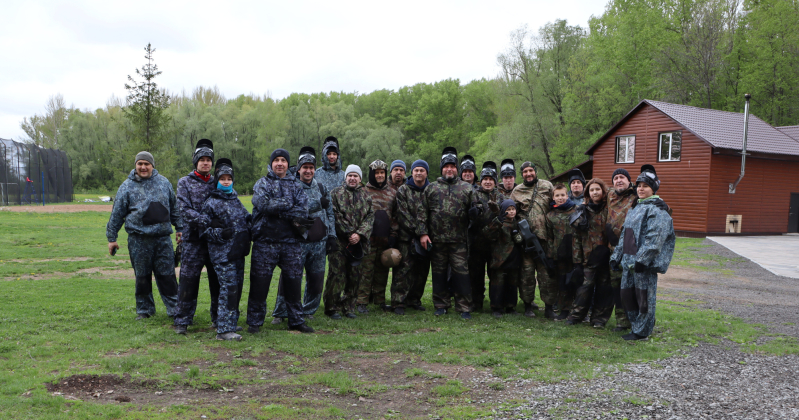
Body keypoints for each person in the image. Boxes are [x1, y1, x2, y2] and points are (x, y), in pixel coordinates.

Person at [106, 151, 181, 320]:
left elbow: (174, 208)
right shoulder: (126, 186)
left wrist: (180, 228)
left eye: (146, 163)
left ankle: (175, 309)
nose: (143, 167)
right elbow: (117, 214)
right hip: (138, 240)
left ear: (152, 165)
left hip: (162, 239)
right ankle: (145, 310)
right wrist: (112, 238)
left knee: (167, 276)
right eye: (139, 163)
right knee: (142, 276)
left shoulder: (164, 183)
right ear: (135, 166)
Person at [247, 149, 314, 334]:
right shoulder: (262, 183)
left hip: (291, 242)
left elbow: (302, 212)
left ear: (287, 164)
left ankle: (296, 321)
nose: (280, 163)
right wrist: (287, 205)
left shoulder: (296, 185)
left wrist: (277, 207)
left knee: (293, 283)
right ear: (271, 163)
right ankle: (254, 322)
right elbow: (262, 205)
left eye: (283, 160)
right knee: (259, 284)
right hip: (265, 242)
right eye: (276, 160)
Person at [610, 165, 675, 341]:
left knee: (644, 298)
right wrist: (616, 257)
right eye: (638, 185)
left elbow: (655, 239)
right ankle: (634, 326)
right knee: (627, 295)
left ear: (653, 188)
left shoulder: (657, 210)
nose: (640, 188)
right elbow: (625, 235)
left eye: (645, 186)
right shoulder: (636, 207)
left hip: (643, 265)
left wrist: (643, 260)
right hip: (628, 262)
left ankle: (642, 331)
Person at [271, 147, 334, 325]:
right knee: (290, 278)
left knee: (316, 278)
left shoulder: (322, 187)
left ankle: (308, 309)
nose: (308, 170)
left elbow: (330, 213)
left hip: (319, 242)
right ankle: (281, 312)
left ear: (315, 169)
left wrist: (332, 236)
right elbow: (292, 208)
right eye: (304, 167)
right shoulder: (291, 186)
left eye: (311, 167)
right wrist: (316, 204)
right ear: (298, 169)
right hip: (296, 242)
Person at [195, 159, 250, 340]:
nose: (226, 182)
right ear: (217, 181)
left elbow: (244, 218)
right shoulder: (210, 203)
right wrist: (220, 234)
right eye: (222, 179)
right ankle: (224, 330)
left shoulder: (235, 199)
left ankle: (230, 322)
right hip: (222, 255)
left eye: (229, 179)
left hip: (237, 252)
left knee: (236, 288)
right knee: (228, 288)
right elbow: (203, 230)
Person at [422, 147, 479, 319]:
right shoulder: (431, 188)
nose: (449, 169)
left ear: (457, 169)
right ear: (442, 168)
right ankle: (441, 304)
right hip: (437, 240)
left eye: (452, 166)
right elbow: (421, 213)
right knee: (438, 274)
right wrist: (423, 233)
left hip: (459, 241)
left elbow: (478, 209)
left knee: (461, 274)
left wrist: (476, 212)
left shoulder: (467, 188)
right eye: (446, 166)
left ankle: (464, 306)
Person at [174, 139, 222, 331]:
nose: (205, 163)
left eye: (208, 160)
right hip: (193, 241)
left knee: (217, 282)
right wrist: (208, 221)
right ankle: (183, 320)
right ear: (195, 161)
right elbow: (184, 210)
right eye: (201, 159)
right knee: (188, 281)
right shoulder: (184, 182)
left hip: (214, 242)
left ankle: (219, 319)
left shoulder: (217, 182)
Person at [324, 165, 374, 319]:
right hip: (340, 242)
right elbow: (334, 215)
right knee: (337, 275)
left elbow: (370, 217)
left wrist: (359, 234)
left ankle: (349, 307)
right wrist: (349, 233)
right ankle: (332, 307)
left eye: (355, 176)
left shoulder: (366, 195)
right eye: (350, 175)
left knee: (355, 276)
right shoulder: (335, 193)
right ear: (345, 177)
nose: (352, 178)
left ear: (360, 178)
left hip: (359, 244)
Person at [509, 161, 554, 318]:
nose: (528, 174)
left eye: (531, 171)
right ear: (522, 174)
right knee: (526, 275)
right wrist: (517, 234)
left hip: (545, 239)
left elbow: (556, 205)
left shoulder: (547, 186)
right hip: (525, 243)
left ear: (535, 171)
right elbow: (511, 213)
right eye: (525, 172)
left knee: (546, 275)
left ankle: (549, 306)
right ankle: (528, 305)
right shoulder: (517, 191)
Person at [567, 178, 613, 327]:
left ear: (603, 191)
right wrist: (577, 262)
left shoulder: (610, 209)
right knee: (584, 288)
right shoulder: (582, 211)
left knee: (604, 289)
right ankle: (576, 316)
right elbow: (577, 238)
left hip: (606, 256)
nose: (595, 192)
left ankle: (599, 319)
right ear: (588, 193)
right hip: (588, 258)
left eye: (597, 189)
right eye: (592, 190)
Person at [357, 160, 399, 313]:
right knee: (366, 271)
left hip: (385, 239)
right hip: (368, 239)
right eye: (377, 173)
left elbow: (395, 215)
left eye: (382, 173)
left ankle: (380, 300)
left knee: (382, 271)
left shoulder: (392, 192)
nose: (380, 175)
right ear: (372, 174)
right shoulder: (363, 191)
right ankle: (361, 301)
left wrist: (393, 234)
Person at [391, 160, 432, 315]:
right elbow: (403, 214)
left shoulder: (431, 189)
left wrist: (426, 234)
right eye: (416, 170)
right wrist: (420, 232)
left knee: (421, 271)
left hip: (427, 238)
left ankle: (414, 300)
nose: (419, 173)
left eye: (422, 170)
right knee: (404, 270)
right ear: (412, 173)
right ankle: (398, 302)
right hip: (406, 237)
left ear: (427, 173)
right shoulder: (403, 190)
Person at [469, 161, 505, 312]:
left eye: (491, 179)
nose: (488, 182)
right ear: (481, 181)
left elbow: (506, 218)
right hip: (476, 243)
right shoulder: (473, 194)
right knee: (475, 275)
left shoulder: (501, 197)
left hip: (495, 243)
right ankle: (476, 303)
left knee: (496, 275)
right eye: (485, 179)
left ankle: (496, 305)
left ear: (495, 182)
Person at [605, 168, 635, 331]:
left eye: (622, 177)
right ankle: (622, 321)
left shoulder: (637, 195)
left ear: (629, 181)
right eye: (615, 178)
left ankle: (636, 319)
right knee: (617, 286)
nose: (619, 180)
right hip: (613, 250)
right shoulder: (609, 195)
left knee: (631, 286)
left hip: (632, 249)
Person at [545, 184, 581, 321]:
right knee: (562, 283)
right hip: (558, 254)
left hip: (575, 253)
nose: (560, 198)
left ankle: (576, 310)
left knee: (575, 282)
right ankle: (563, 309)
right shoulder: (550, 215)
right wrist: (550, 255)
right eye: (557, 195)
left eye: (562, 195)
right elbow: (549, 237)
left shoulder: (577, 210)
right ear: (553, 198)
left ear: (567, 195)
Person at [482, 199, 524, 318]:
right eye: (508, 210)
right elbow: (487, 233)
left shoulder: (518, 223)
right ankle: (496, 307)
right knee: (497, 284)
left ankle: (510, 307)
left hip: (514, 258)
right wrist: (497, 222)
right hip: (499, 259)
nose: (511, 212)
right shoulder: (498, 222)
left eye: (513, 209)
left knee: (512, 284)